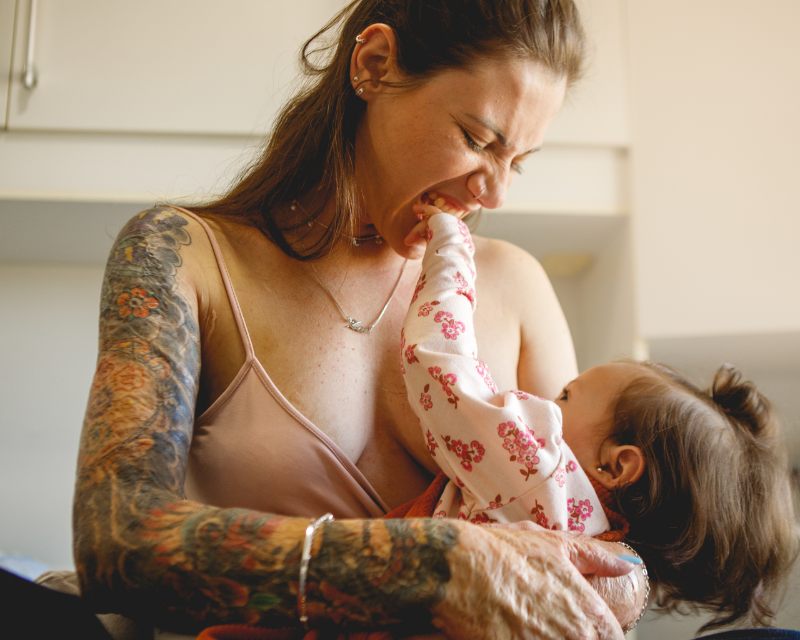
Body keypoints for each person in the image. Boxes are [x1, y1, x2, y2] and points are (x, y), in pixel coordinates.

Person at [71, 1, 646, 638]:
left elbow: (596, 539)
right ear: (375, 66)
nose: (497, 193)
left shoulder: (516, 285)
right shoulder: (182, 255)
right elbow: (115, 541)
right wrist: (436, 566)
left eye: (519, 161)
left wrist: (627, 576)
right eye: (478, 140)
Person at [400, 208, 799, 634]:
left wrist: (451, 252)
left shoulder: (540, 475)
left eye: (565, 396)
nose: (540, 400)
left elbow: (442, 368)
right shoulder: (599, 553)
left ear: (616, 466)